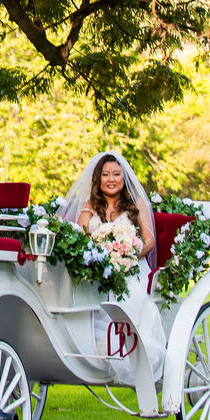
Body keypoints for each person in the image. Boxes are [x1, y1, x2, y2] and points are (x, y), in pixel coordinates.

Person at [58, 151, 165, 384]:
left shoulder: (136, 205)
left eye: (116, 174)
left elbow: (149, 242)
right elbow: (81, 239)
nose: (111, 179)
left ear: (123, 178)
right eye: (106, 174)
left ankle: (130, 350)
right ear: (98, 178)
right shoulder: (89, 206)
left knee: (130, 296)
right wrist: (101, 257)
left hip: (132, 271)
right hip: (100, 274)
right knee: (88, 299)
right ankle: (95, 351)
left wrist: (127, 255)